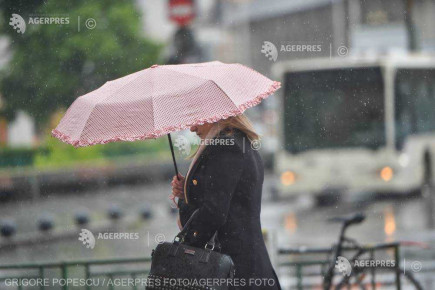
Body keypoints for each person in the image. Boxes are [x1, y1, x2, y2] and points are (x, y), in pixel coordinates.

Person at [170, 114, 282, 290]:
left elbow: (214, 213)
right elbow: (229, 200)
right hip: (249, 269)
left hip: (233, 273)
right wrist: (188, 191)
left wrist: (184, 246)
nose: (191, 128)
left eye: (196, 119)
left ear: (214, 114)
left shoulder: (225, 148)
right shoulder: (241, 143)